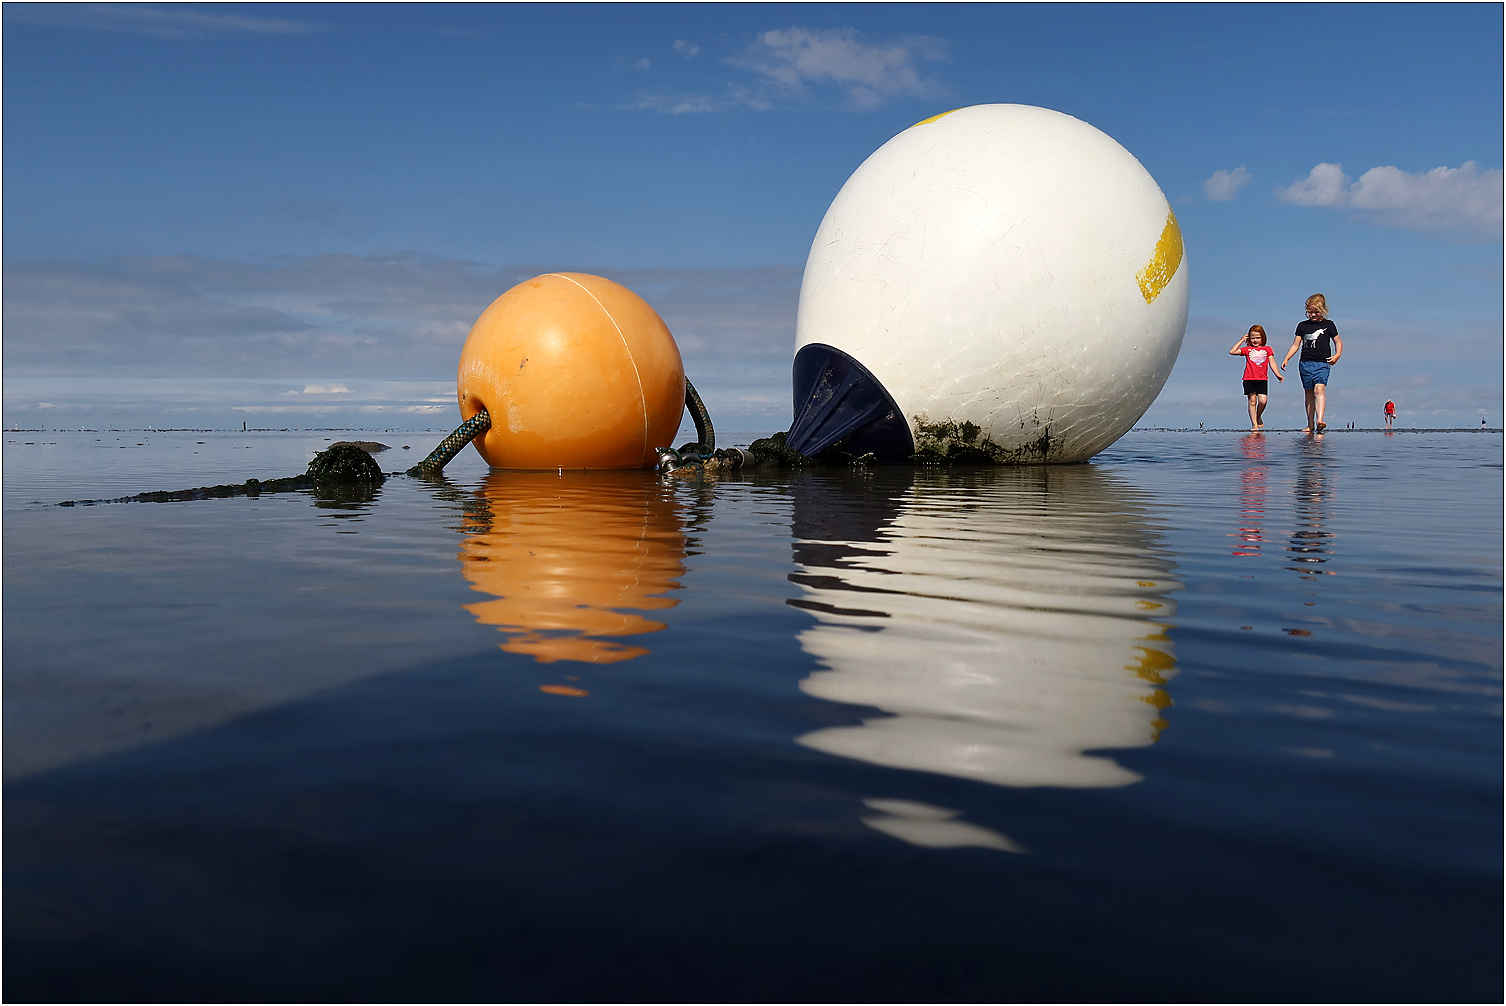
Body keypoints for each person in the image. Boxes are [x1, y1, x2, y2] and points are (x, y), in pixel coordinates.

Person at [1282, 293, 1342, 433]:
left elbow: (1338, 341)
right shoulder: (1302, 326)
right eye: (1310, 312)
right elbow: (1296, 344)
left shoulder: (1329, 325)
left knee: (1319, 389)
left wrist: (1337, 355)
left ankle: (1320, 420)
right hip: (1305, 363)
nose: (1313, 315)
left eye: (1316, 312)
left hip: (1322, 363)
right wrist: (1287, 358)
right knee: (1309, 393)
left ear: (1323, 310)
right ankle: (1310, 424)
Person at [1229, 325, 1283, 431]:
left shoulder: (1267, 349)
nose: (1255, 340)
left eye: (1258, 338)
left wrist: (1277, 374)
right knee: (1252, 401)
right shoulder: (1247, 350)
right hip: (1249, 378)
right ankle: (1254, 425)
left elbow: (1272, 363)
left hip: (1262, 379)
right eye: (1253, 338)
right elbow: (1232, 351)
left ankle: (1258, 416)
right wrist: (1242, 340)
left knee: (1263, 401)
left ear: (1262, 337)